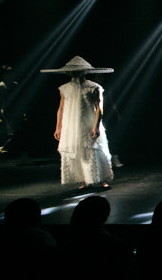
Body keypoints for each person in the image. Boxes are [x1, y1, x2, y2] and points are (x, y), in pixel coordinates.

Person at [41, 56, 114, 189]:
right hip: (71, 124)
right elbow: (61, 108)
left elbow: (99, 108)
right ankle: (83, 179)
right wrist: (58, 127)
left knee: (94, 149)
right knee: (77, 150)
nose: (74, 73)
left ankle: (101, 179)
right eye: (73, 71)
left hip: (88, 123)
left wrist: (96, 126)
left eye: (77, 71)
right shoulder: (65, 88)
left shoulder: (94, 87)